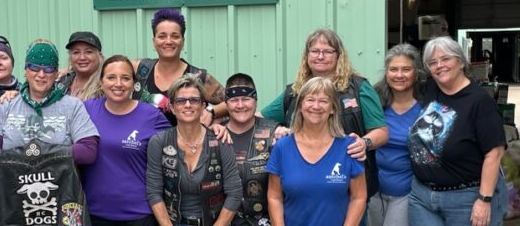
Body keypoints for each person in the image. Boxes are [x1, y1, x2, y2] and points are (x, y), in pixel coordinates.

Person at [260, 28, 387, 212]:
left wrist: (364, 142)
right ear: (307, 55)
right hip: (301, 192)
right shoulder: (295, 91)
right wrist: (277, 128)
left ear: (339, 56)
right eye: (315, 51)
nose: (320, 56)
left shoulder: (359, 88)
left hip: (348, 192)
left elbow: (382, 132)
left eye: (327, 51)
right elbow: (259, 119)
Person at [0, 39, 99, 225]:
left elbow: (89, 150)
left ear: (56, 72)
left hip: (62, 201)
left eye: (49, 69)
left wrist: (33, 155)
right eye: (34, 67)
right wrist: (43, 156)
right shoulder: (6, 107)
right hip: (14, 204)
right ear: (26, 70)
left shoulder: (72, 106)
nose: (41, 75)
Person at [408, 36, 507, 226]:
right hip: (422, 197)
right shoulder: (429, 89)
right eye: (433, 62)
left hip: (465, 198)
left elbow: (494, 154)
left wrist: (484, 200)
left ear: (460, 61)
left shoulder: (480, 101)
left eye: (445, 59)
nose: (439, 66)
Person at [81, 55, 171, 225]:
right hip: (94, 213)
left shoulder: (151, 116)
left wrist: (214, 126)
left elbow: (180, 141)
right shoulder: (87, 109)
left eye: (125, 78)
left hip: (139, 215)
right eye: (111, 77)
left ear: (134, 83)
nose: (118, 84)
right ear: (101, 82)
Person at [266, 77, 366, 225]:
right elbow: (274, 197)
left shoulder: (350, 147)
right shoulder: (282, 147)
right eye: (310, 100)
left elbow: (359, 197)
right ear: (300, 106)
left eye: (324, 101)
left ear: (333, 108)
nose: (316, 106)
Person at [146, 74, 243, 226]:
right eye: (180, 100)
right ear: (172, 107)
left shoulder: (220, 141)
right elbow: (154, 192)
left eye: (194, 100)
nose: (188, 105)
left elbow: (235, 193)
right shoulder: (159, 142)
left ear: (203, 106)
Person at [133, 9, 226, 127]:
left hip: (185, 144)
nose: (168, 41)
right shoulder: (140, 69)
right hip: (141, 144)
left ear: (183, 42)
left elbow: (234, 100)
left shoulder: (199, 77)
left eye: (175, 36)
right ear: (154, 42)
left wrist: (212, 112)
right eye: (162, 36)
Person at [368, 44, 425, 226]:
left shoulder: (426, 108)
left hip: (406, 192)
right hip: (373, 190)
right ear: (386, 73)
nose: (399, 75)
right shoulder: (375, 104)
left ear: (416, 73)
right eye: (393, 69)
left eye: (406, 69)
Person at [223, 73, 279, 226]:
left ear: (255, 100)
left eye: (246, 99)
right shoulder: (214, 135)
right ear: (226, 103)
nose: (240, 105)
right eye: (234, 100)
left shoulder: (275, 132)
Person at [59, 31, 105, 101]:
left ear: (99, 56)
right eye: (76, 52)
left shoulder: (106, 86)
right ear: (70, 57)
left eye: (88, 52)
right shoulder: (61, 82)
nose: (82, 57)